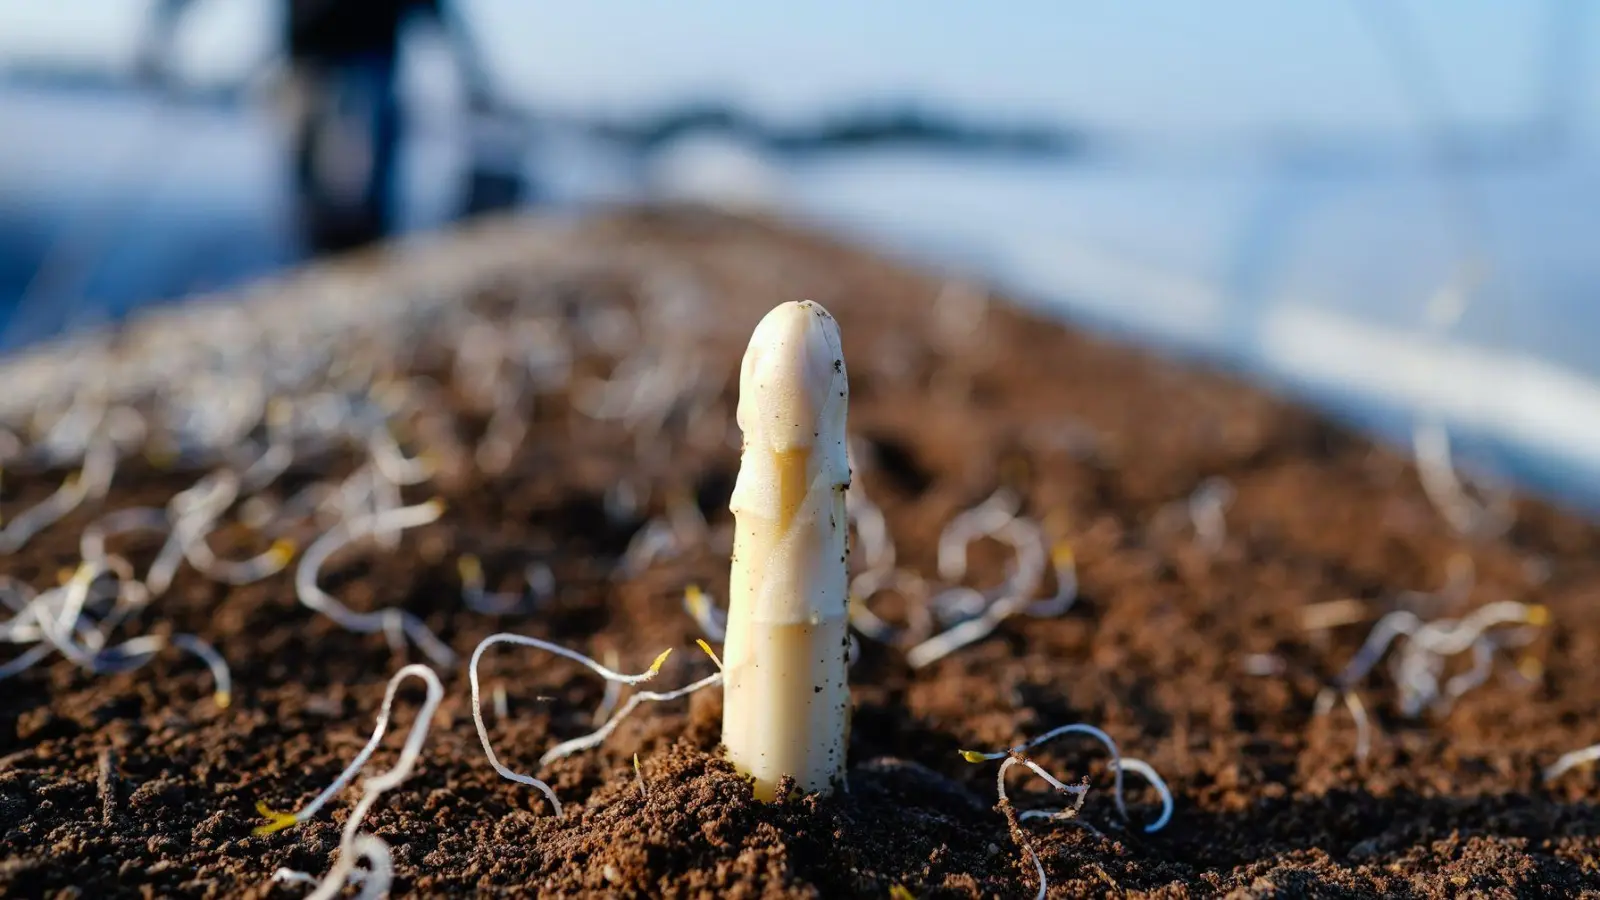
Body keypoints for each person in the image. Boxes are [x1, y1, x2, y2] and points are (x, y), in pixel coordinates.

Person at [140, 0, 498, 254]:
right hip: (301, 70)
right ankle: (318, 272)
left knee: (361, 202)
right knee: (308, 206)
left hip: (366, 70)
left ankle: (364, 288)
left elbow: (438, 10)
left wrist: (471, 75)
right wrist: (164, 30)